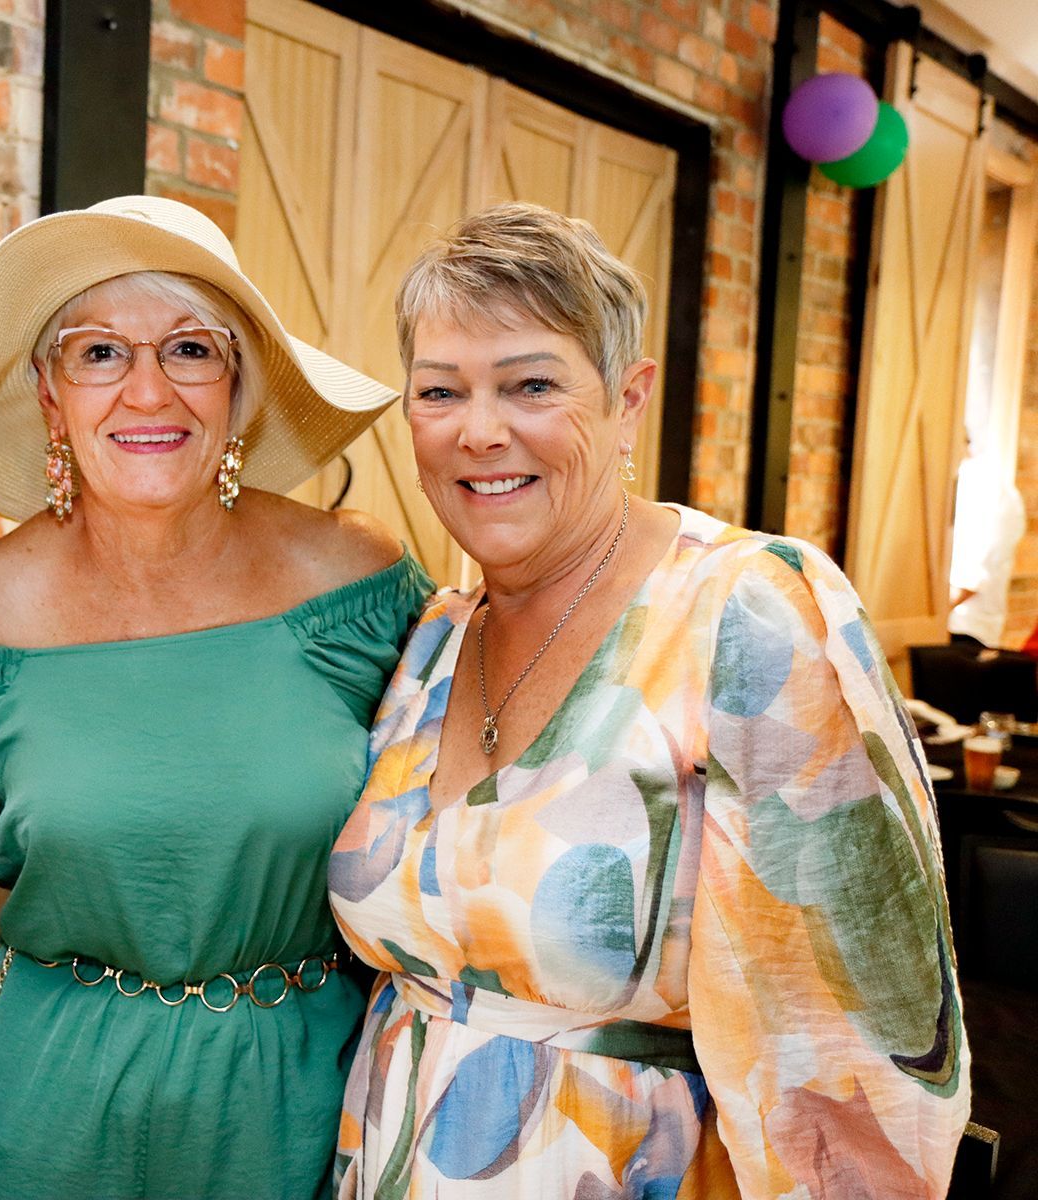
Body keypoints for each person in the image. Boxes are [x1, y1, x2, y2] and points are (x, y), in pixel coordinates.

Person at [330, 203, 969, 1198]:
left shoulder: (743, 611)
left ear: (629, 400)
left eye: (531, 384)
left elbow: (852, 1046)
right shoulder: (435, 640)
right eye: (440, 391)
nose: (481, 430)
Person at [0, 194, 432, 1199]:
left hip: (297, 1110)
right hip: (45, 1111)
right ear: (50, 397)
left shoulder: (349, 579)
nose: (148, 391)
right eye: (98, 354)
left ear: (238, 392)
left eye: (190, 350)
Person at [948, 440, 1026, 648]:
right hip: (971, 624)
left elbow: (970, 580)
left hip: (966, 628)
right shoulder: (986, 485)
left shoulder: (977, 486)